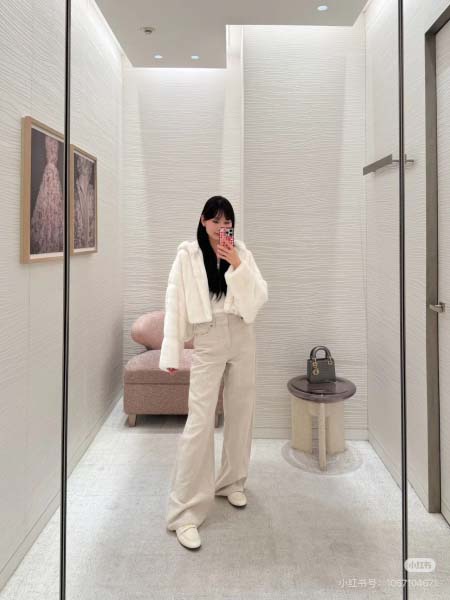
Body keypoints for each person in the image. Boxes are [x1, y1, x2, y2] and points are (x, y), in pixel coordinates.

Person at [159, 195, 269, 550]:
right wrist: (173, 351)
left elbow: (258, 299)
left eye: (227, 221)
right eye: (216, 220)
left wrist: (237, 264)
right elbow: (175, 303)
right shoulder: (187, 255)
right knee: (200, 421)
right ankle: (185, 512)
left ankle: (231, 482)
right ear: (203, 220)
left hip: (242, 334)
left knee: (241, 412)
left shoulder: (241, 252)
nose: (223, 226)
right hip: (207, 337)